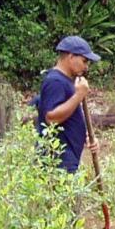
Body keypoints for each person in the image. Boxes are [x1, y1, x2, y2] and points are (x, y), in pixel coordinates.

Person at [36, 36, 101, 173]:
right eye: (84, 61)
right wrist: (78, 95)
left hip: (66, 158)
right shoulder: (55, 81)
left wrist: (87, 138)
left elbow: (68, 118)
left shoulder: (69, 81)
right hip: (56, 161)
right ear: (71, 57)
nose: (86, 67)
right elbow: (51, 118)